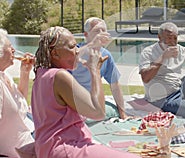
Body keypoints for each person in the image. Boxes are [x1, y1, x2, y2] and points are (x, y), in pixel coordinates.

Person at [31, 26, 139, 158]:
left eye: (76, 46)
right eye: (71, 47)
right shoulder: (60, 76)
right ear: (55, 54)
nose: (77, 51)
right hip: (66, 147)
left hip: (48, 147)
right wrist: (95, 70)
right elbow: (98, 112)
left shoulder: (41, 75)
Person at [71, 17, 127, 119]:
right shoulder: (76, 50)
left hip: (93, 102)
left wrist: (122, 113)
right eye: (97, 31)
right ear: (86, 35)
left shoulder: (106, 55)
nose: (101, 34)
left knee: (114, 111)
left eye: (103, 30)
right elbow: (73, 58)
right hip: (72, 103)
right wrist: (92, 45)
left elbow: (115, 85)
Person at [0, 28, 34, 157]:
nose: (14, 50)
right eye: (10, 47)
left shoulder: (5, 74)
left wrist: (24, 73)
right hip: (12, 153)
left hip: (27, 143)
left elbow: (20, 104)